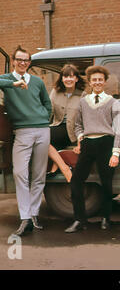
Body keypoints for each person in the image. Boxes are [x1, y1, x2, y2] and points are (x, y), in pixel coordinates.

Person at [0, 45, 52, 236]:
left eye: (26, 60)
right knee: (19, 173)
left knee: (39, 175)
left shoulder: (37, 81)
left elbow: (47, 103)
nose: (23, 63)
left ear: (29, 63)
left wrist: (43, 118)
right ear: (13, 61)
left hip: (42, 129)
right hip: (22, 131)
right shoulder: (7, 79)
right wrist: (13, 84)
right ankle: (25, 217)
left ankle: (34, 214)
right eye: (19, 59)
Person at [65, 66, 120, 233]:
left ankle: (106, 218)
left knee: (106, 183)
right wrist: (81, 137)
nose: (97, 82)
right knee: (76, 180)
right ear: (90, 82)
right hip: (88, 144)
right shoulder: (83, 102)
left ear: (104, 82)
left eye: (100, 79)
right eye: (94, 80)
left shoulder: (113, 102)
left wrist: (116, 153)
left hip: (106, 143)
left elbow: (119, 129)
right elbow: (77, 125)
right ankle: (79, 220)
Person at [48, 64, 85, 182]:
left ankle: (62, 168)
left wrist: (81, 141)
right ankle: (60, 166)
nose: (68, 79)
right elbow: (49, 111)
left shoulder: (82, 95)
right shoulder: (55, 92)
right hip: (57, 126)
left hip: (73, 132)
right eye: (65, 76)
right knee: (40, 135)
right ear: (62, 78)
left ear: (76, 79)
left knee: (43, 137)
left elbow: (84, 119)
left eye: (71, 76)